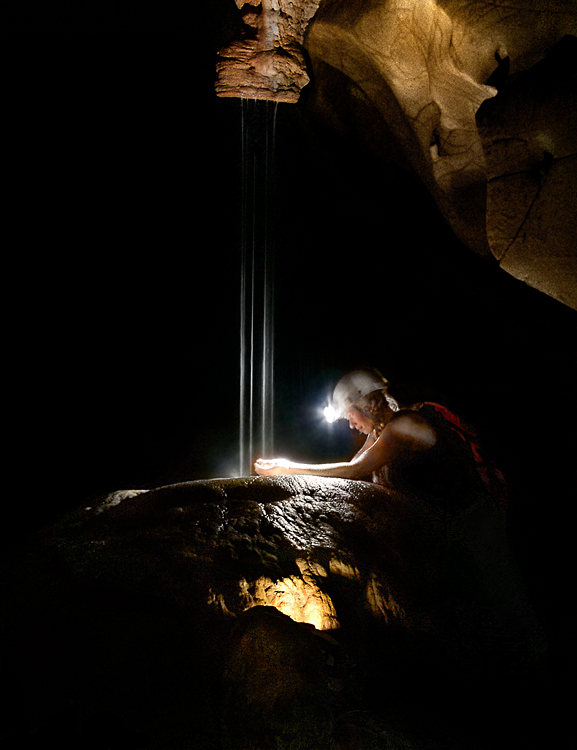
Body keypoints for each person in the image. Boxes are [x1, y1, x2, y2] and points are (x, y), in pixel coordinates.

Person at [254, 368, 506, 514]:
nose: (350, 424)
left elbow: (355, 470)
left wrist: (287, 467)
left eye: (349, 415)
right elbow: (349, 469)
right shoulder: (380, 433)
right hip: (449, 516)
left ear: (364, 403)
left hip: (475, 514)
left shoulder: (402, 427)